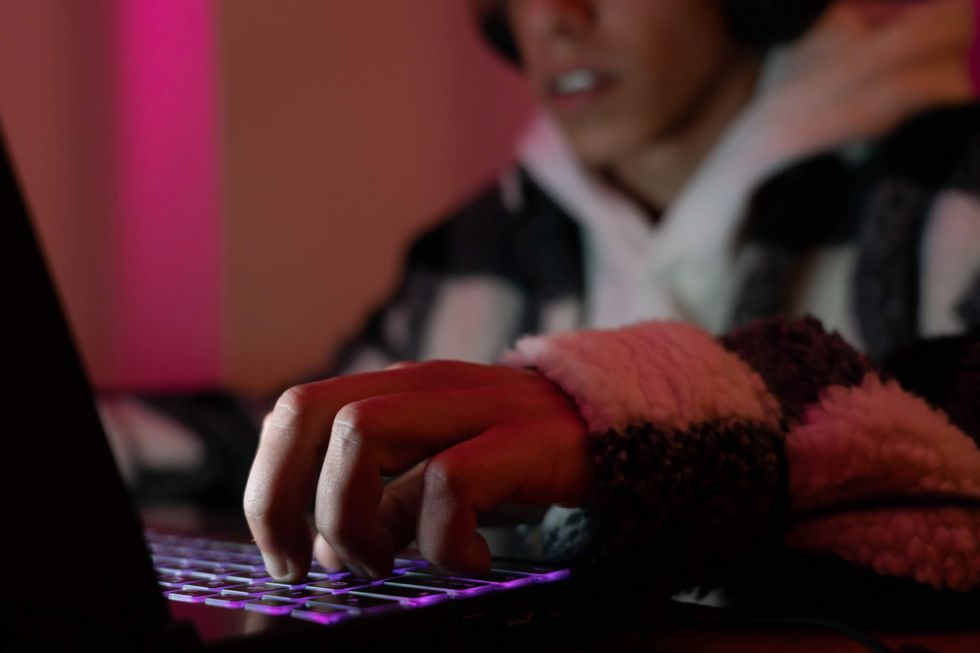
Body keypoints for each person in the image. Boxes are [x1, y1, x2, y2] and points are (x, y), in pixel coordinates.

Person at [119, 0, 980, 599]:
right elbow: (305, 436)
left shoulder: (953, 194)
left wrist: (632, 413)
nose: (549, 16)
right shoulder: (481, 243)